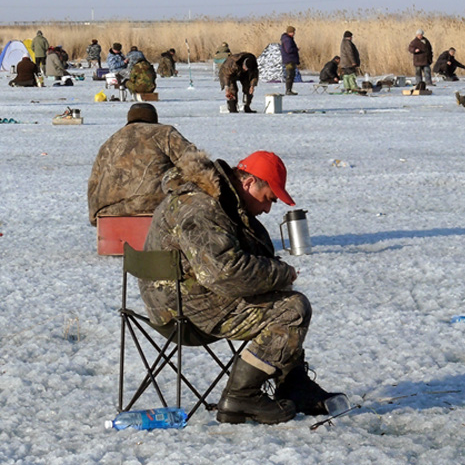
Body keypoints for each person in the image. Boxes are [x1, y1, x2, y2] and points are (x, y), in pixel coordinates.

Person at [140, 150, 342, 425]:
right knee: (292, 309)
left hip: (181, 294)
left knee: (282, 299)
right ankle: (240, 396)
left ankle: (292, 384)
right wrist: (283, 273)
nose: (268, 209)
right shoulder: (200, 207)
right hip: (181, 308)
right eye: (268, 198)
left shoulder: (218, 202)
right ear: (248, 183)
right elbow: (224, 273)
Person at [86, 103, 198, 226]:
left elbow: (93, 185)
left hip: (109, 212)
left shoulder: (109, 143)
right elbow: (196, 164)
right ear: (154, 118)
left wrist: (94, 215)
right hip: (156, 207)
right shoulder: (164, 133)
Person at [281, 26, 300, 95]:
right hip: (289, 60)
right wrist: (296, 49)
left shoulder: (288, 39)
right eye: (293, 32)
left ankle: (289, 90)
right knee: (290, 75)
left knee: (291, 75)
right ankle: (288, 90)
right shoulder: (287, 40)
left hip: (290, 59)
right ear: (289, 32)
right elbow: (288, 50)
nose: (294, 33)